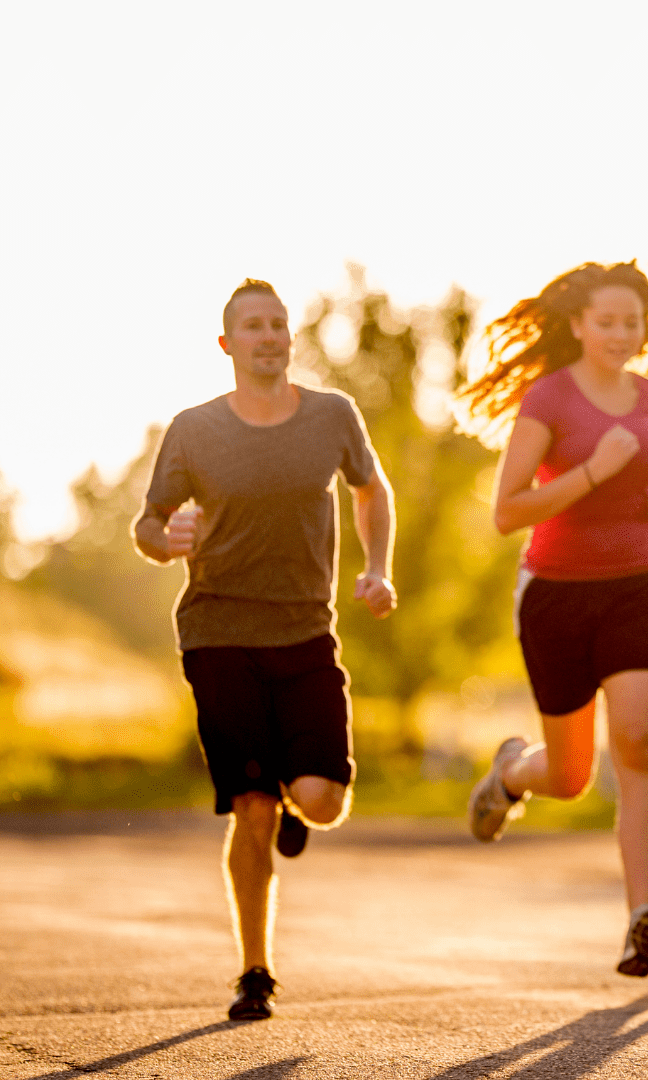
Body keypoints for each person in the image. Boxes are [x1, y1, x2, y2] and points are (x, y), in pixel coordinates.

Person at [132, 279, 397, 1022]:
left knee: (322, 801)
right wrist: (164, 541)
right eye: (253, 326)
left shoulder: (331, 416)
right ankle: (256, 971)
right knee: (249, 809)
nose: (269, 335)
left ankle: (289, 796)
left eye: (278, 324)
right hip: (218, 631)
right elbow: (147, 524)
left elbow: (371, 489)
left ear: (291, 337)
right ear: (228, 344)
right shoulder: (194, 429)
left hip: (307, 629)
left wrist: (377, 568)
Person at [457, 261, 648, 978]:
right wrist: (592, 471)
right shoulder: (548, 397)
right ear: (579, 324)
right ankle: (512, 775)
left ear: (647, 327)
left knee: (640, 742)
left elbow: (638, 486)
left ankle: (640, 916)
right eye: (607, 321)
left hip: (636, 587)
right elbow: (507, 511)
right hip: (555, 591)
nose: (621, 333)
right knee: (572, 773)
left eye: (633, 322)